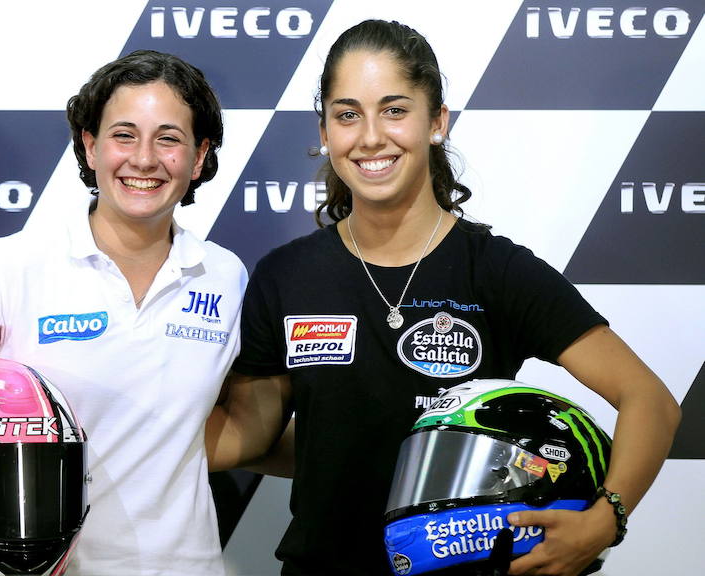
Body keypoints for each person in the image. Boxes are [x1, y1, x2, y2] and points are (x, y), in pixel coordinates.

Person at [206, 20, 680, 576]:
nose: (370, 137)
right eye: (347, 114)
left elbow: (650, 400)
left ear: (437, 123)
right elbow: (254, 437)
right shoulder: (285, 275)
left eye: (395, 110)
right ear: (326, 130)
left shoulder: (496, 270)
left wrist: (606, 519)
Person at [0, 49, 247, 576]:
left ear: (198, 156)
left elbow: (212, 428)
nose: (144, 158)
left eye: (168, 138)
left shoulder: (226, 275)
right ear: (91, 146)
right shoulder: (13, 265)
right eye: (123, 134)